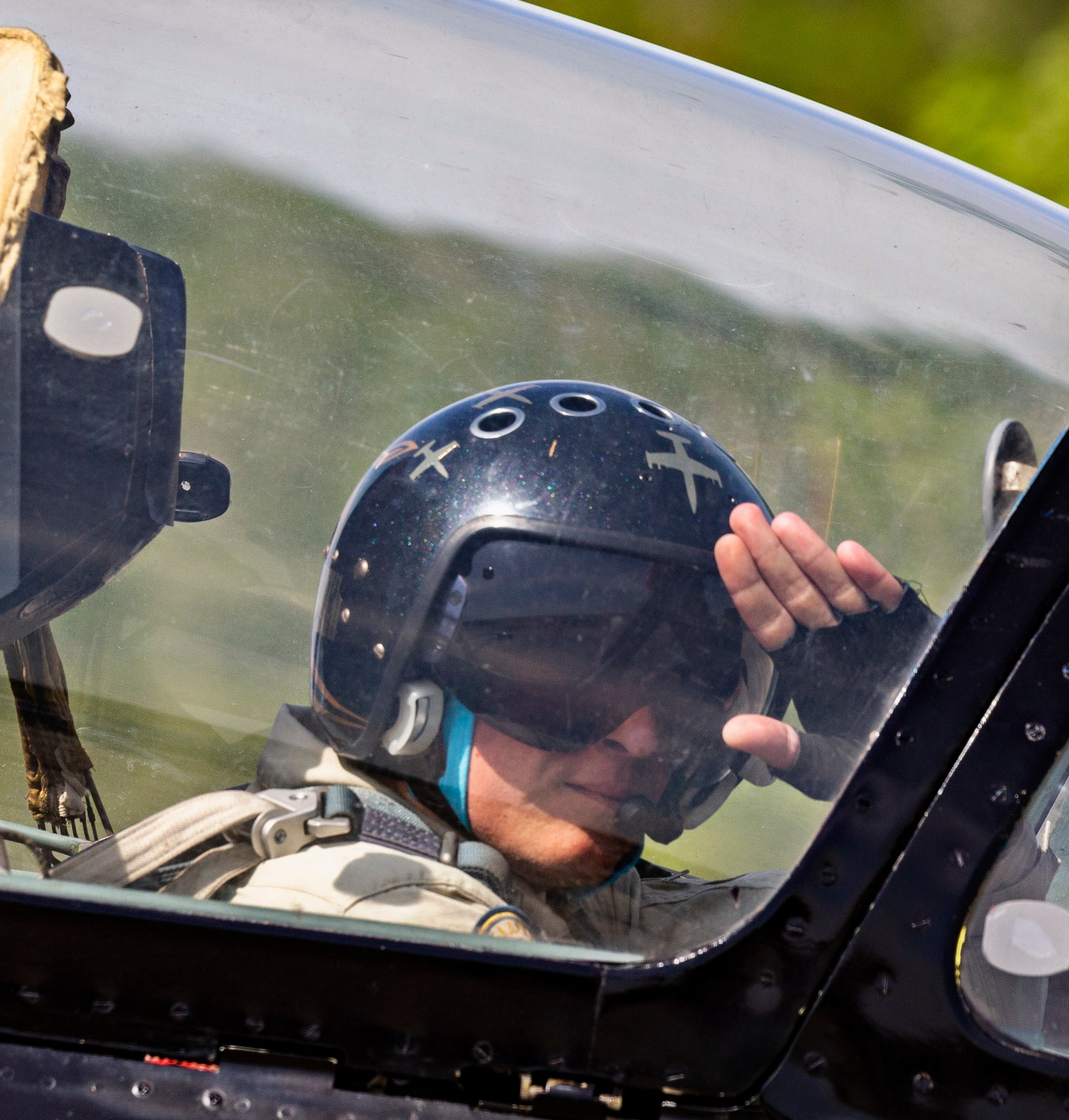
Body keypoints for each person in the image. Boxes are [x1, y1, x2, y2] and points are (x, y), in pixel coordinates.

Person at [55, 381, 937, 959]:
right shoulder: (360, 920)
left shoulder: (621, 921)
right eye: (570, 671)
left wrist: (949, 788)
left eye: (690, 687)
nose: (637, 734)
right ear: (397, 664)